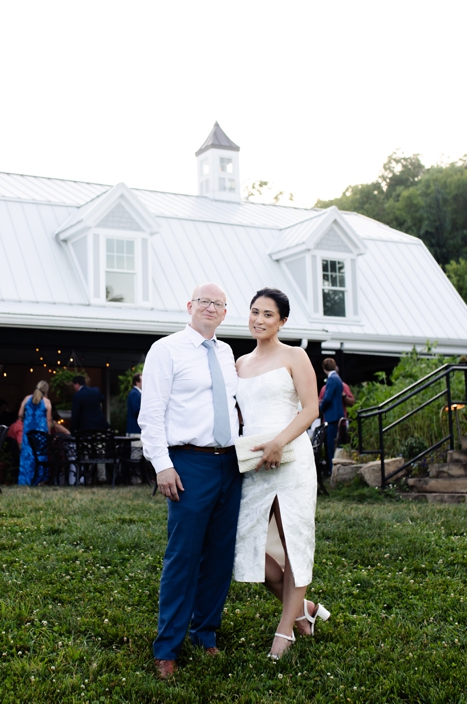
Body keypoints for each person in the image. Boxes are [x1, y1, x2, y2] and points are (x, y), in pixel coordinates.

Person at [140, 283, 241, 680]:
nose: (211, 308)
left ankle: (205, 632)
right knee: (183, 556)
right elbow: (151, 413)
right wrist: (162, 465)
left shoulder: (227, 352)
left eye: (218, 304)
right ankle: (167, 648)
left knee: (219, 555)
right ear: (190, 306)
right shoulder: (166, 350)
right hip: (188, 463)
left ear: (224, 312)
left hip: (229, 464)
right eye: (204, 301)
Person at [233, 287, 329, 660]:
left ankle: (286, 629)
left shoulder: (295, 355)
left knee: (294, 543)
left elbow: (310, 409)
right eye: (254, 311)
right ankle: (305, 608)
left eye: (268, 314)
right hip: (254, 466)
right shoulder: (239, 364)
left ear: (282, 321)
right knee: (255, 550)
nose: (259, 319)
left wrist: (278, 442)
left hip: (291, 460)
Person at [17, 381, 53, 485]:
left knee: (27, 455)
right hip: (41, 432)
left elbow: (20, 414)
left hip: (28, 431)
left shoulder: (26, 399)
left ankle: (25, 480)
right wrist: (49, 432)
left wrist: (26, 418)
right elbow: (49, 420)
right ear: (46, 390)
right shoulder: (47, 402)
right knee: (40, 454)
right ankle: (39, 479)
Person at [319, 358, 345, 475]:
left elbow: (327, 398)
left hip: (332, 417)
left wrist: (320, 409)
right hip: (338, 415)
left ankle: (332, 472)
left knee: (330, 446)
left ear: (324, 369)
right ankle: (336, 472)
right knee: (337, 446)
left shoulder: (331, 379)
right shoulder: (338, 379)